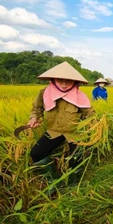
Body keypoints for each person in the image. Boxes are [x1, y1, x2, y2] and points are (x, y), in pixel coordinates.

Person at [27, 61, 95, 195]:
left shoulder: (80, 97)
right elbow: (37, 109)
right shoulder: (44, 93)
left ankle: (73, 186)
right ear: (53, 79)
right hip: (54, 131)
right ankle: (55, 183)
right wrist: (33, 118)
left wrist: (94, 127)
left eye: (68, 80)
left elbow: (90, 115)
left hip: (74, 133)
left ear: (74, 82)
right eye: (60, 79)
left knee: (76, 158)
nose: (64, 82)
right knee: (36, 153)